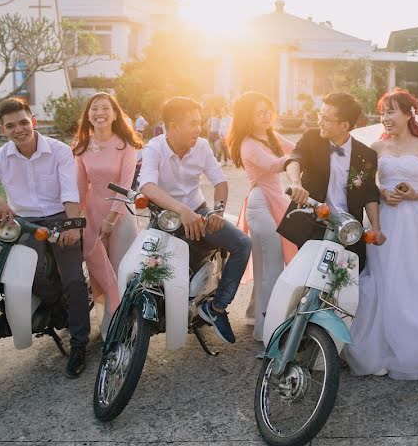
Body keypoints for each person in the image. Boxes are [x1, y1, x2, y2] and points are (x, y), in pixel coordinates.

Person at [0, 97, 90, 377]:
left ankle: (79, 344)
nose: (19, 129)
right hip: (23, 223)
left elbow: (71, 192)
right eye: (11, 126)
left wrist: (71, 225)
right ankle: (52, 306)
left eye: (23, 122)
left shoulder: (58, 150)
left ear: (33, 121)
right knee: (21, 274)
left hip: (60, 217)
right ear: (3, 130)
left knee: (73, 280)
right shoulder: (0, 156)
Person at [344, 89, 418, 379]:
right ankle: (382, 345)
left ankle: (413, 342)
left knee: (414, 276)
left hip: (417, 221)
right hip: (384, 221)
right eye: (383, 112)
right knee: (385, 278)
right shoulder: (375, 147)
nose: (385, 118)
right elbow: (362, 183)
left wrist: (416, 194)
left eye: (391, 111)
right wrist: (382, 191)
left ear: (409, 113)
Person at [137, 97, 251, 344]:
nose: (199, 129)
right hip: (165, 217)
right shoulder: (154, 148)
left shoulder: (201, 146)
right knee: (148, 272)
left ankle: (217, 308)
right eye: (193, 123)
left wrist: (218, 213)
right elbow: (146, 185)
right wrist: (181, 211)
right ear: (173, 125)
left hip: (200, 213)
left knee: (243, 243)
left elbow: (220, 181)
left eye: (199, 123)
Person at [280, 92, 385, 271]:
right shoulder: (311, 138)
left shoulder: (366, 154)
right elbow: (295, 158)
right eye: (320, 115)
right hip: (313, 222)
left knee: (344, 281)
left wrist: (376, 227)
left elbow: (369, 193)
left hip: (348, 229)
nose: (319, 121)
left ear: (344, 125)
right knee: (307, 278)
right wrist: (296, 183)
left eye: (326, 118)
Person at [226, 92, 296, 342]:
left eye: (268, 110)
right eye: (260, 112)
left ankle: (257, 314)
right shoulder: (248, 144)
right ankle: (268, 329)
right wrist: (297, 158)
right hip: (261, 204)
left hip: (276, 200)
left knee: (269, 264)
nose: (267, 116)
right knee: (271, 265)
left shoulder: (269, 135)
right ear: (248, 117)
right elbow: (275, 165)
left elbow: (295, 149)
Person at [72, 92, 143, 330]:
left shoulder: (126, 145)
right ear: (88, 115)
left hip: (120, 214)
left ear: (114, 114)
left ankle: (116, 323)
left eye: (105, 108)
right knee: (98, 269)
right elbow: (81, 188)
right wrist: (74, 219)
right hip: (93, 214)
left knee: (119, 269)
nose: (99, 113)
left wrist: (111, 219)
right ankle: (108, 315)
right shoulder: (82, 147)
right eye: (94, 108)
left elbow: (124, 186)